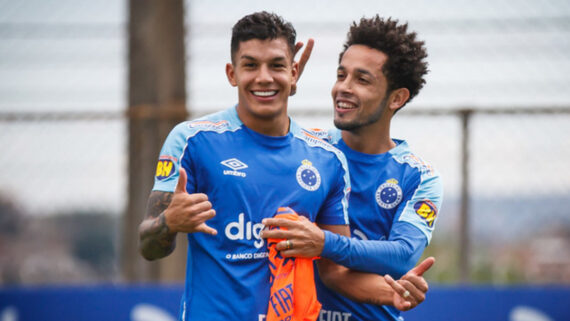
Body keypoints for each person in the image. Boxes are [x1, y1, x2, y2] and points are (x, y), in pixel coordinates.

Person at [138, 11, 432, 321]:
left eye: (276, 66)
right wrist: (168, 224)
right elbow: (148, 247)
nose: (264, 77)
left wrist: (392, 293)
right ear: (231, 74)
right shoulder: (192, 140)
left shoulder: (328, 159)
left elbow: (334, 274)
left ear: (293, 73)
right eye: (250, 65)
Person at [261, 15, 443, 321]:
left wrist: (323, 243)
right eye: (341, 75)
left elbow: (402, 255)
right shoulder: (308, 148)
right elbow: (258, 143)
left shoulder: (419, 176)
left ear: (396, 98)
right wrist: (278, 92)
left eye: (362, 79)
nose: (343, 88)